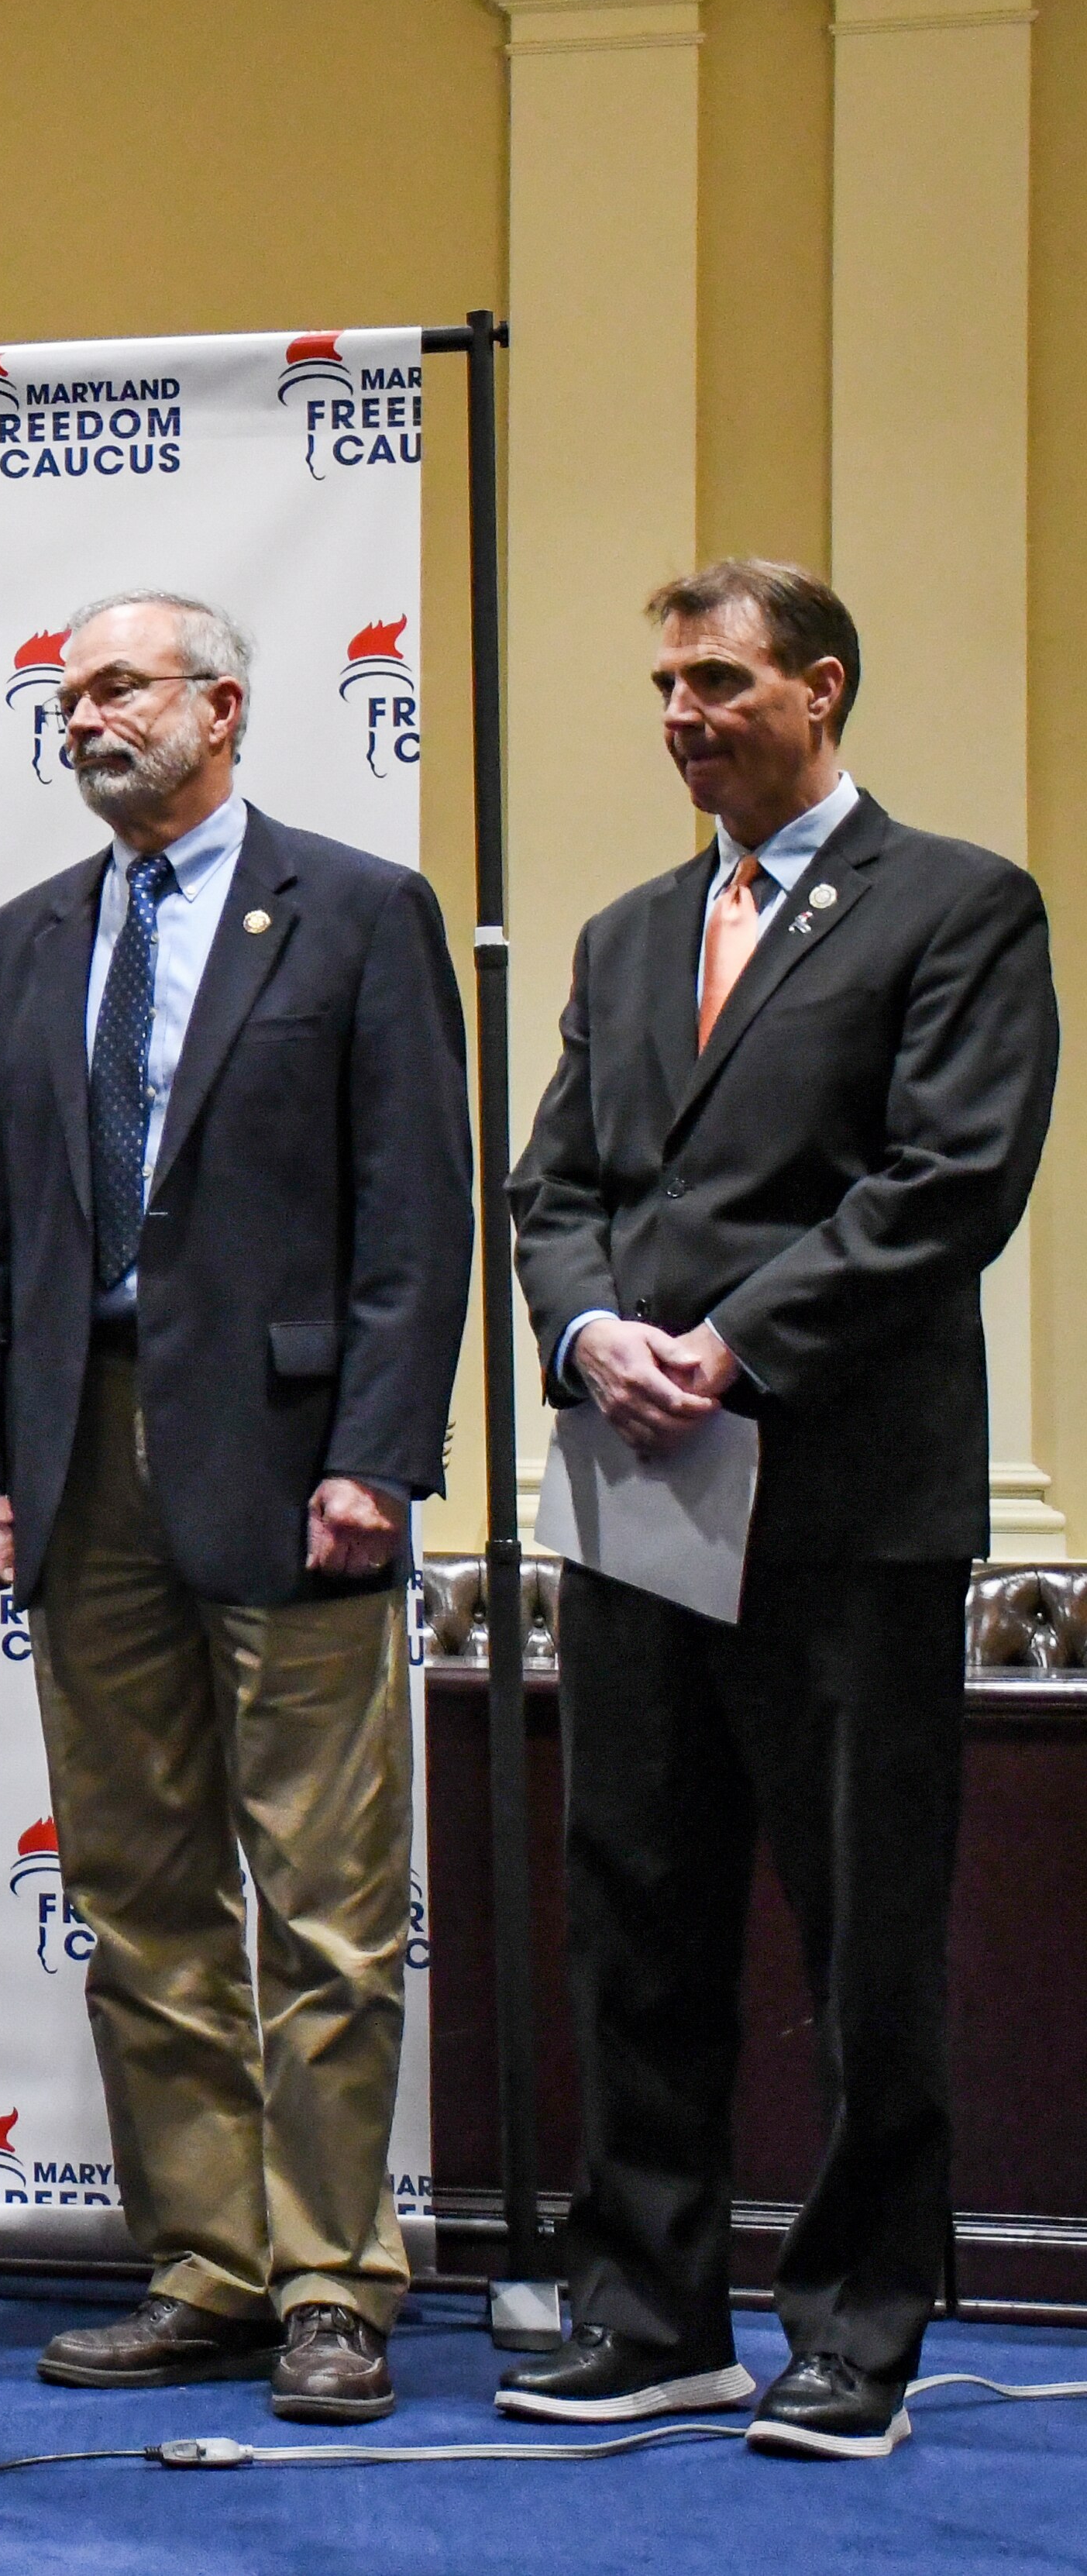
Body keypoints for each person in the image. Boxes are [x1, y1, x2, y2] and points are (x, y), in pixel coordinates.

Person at [501, 561, 1057, 2457]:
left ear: (820, 688)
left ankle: (857, 2327)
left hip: (842, 1501)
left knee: (861, 1932)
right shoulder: (628, 928)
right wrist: (586, 1331)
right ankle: (653, 2309)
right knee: (633, 1913)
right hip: (642, 1489)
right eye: (662, 682)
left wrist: (726, 1342)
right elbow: (551, 1184)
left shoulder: (959, 903)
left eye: (718, 679)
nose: (680, 713)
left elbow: (946, 1182)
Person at [0, 591, 469, 2424]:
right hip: (76, 1458)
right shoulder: (22, 939)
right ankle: (212, 2263)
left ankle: (334, 2276)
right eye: (65, 693)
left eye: (117, 688)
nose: (83, 718)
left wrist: (378, 1452)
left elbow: (414, 1213)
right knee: (140, 1888)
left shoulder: (358, 908)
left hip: (294, 1454)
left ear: (218, 707)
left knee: (322, 1897)